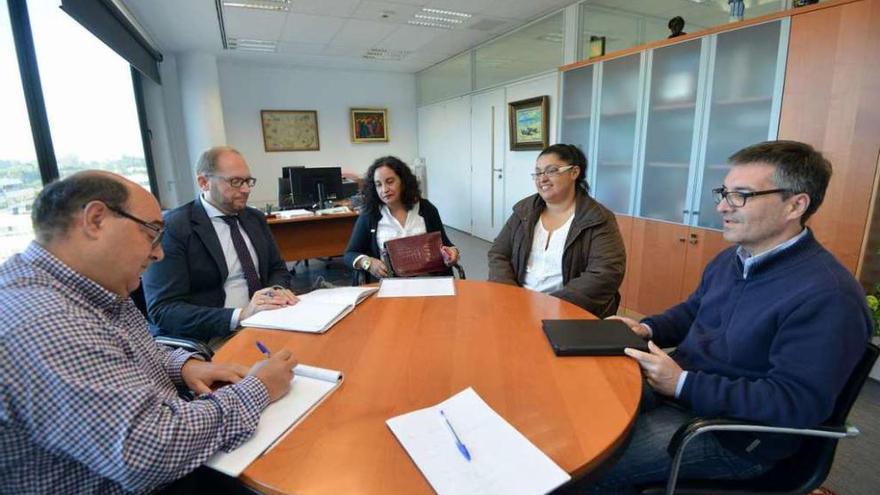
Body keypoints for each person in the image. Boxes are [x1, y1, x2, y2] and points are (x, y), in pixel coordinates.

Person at [590, 140, 871, 493]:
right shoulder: (735, 257)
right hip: (684, 393)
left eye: (741, 195)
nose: (722, 206)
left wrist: (683, 383)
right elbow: (694, 311)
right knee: (579, 412)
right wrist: (646, 327)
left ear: (795, 205)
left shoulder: (829, 296)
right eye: (724, 192)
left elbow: (797, 403)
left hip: (732, 435)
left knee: (591, 463)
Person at [0, 171, 299, 494]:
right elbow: (151, 452)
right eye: (152, 233)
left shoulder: (86, 285)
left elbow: (130, 350)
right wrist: (259, 388)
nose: (158, 253)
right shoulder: (48, 322)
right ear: (96, 220)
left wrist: (184, 366)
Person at [142, 146, 297, 347]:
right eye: (235, 182)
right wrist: (240, 316)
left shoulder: (254, 218)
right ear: (204, 182)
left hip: (267, 322)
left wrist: (275, 292)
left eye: (248, 181)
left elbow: (277, 269)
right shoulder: (175, 228)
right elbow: (163, 310)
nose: (246, 189)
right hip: (213, 335)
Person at [488, 143, 626, 318]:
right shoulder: (524, 211)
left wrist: (549, 305)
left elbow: (606, 273)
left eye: (551, 171)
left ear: (574, 173)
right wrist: (511, 295)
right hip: (517, 304)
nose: (542, 179)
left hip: (566, 311)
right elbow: (498, 253)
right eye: (538, 172)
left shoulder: (598, 218)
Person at [344, 156, 460, 282]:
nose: (384, 190)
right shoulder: (370, 215)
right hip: (389, 285)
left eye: (390, 181)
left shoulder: (426, 209)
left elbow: (447, 245)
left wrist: (452, 253)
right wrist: (368, 263)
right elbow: (350, 254)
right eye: (378, 185)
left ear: (403, 181)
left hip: (428, 282)